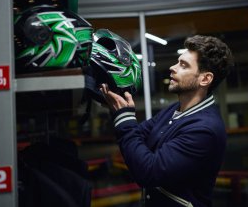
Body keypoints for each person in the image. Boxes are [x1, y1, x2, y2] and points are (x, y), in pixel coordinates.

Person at [100, 35, 234, 207]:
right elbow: (136, 136)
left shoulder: (204, 130)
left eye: (183, 65)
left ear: (205, 79)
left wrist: (124, 117)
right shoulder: (175, 109)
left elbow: (148, 171)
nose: (172, 67)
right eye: (178, 62)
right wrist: (119, 111)